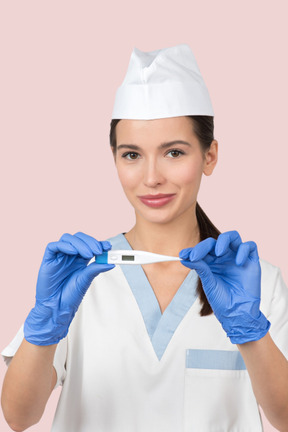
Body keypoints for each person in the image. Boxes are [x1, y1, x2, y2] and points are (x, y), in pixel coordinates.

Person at [1, 44, 288, 432]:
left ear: (209, 156)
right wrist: (46, 323)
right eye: (132, 155)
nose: (151, 177)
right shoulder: (78, 278)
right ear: (114, 157)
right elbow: (19, 417)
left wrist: (249, 328)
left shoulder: (257, 283)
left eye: (173, 152)